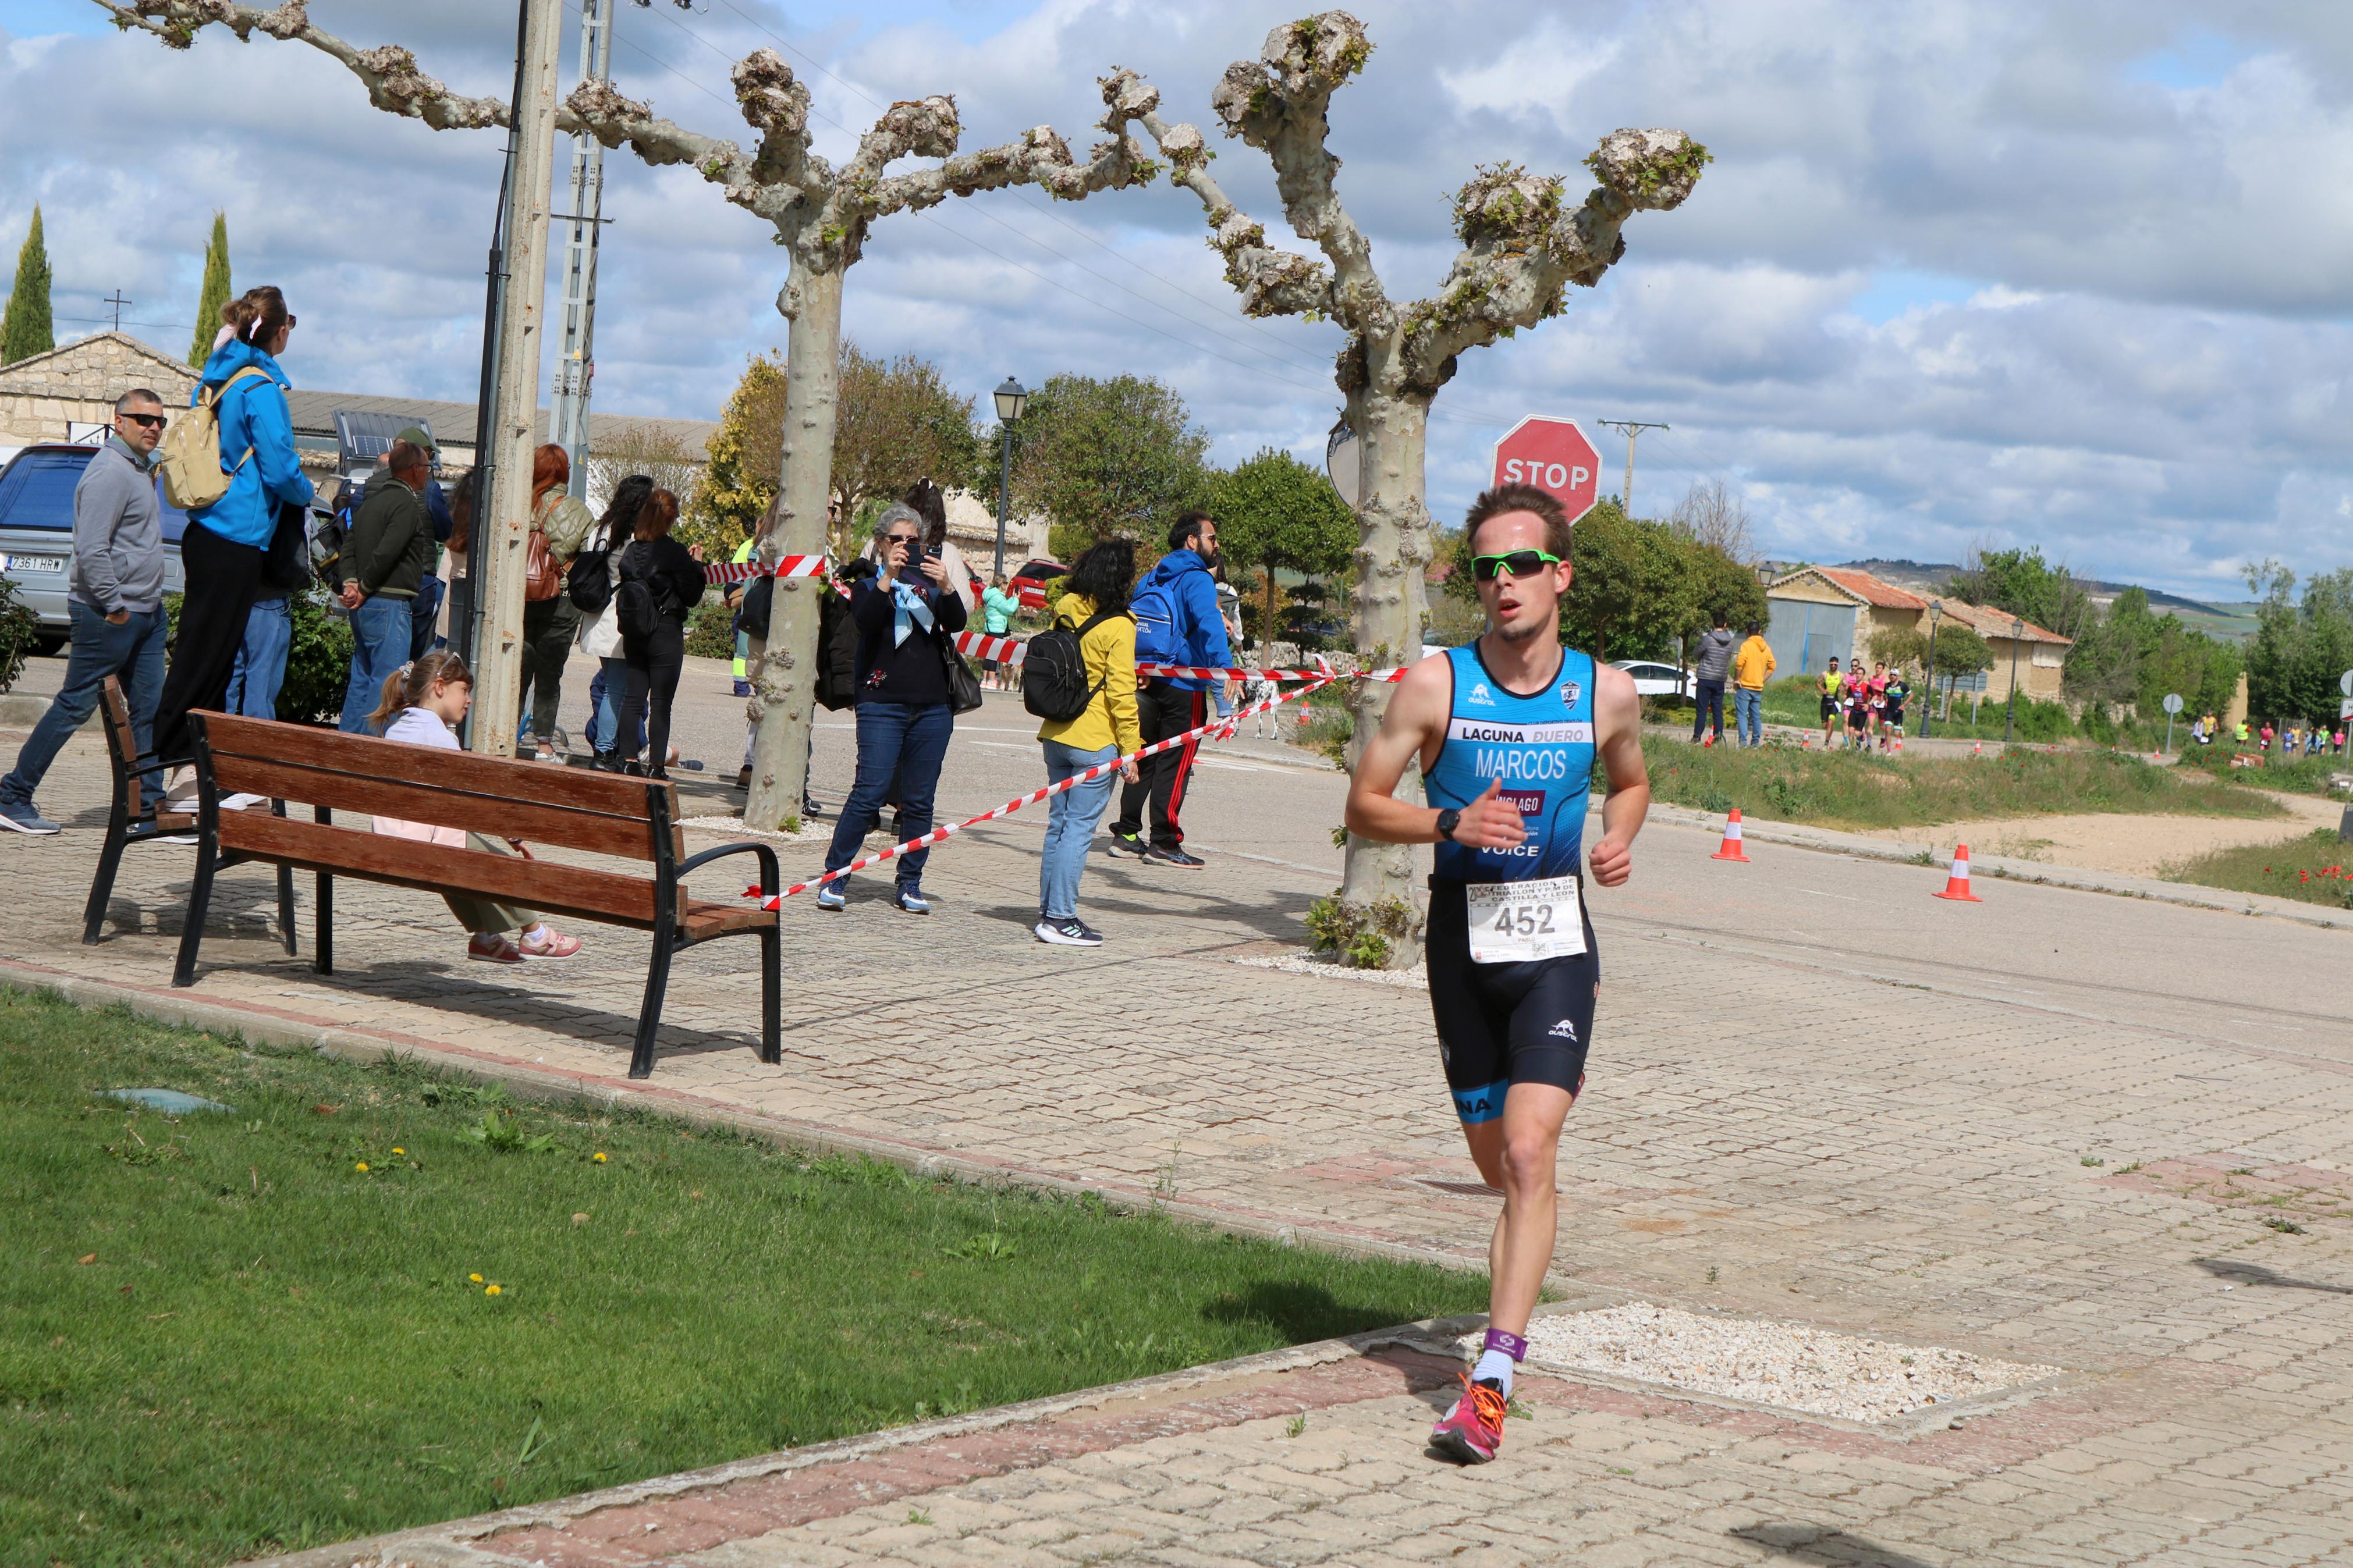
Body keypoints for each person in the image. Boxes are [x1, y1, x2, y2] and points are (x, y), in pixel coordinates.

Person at [1342, 481, 1647, 1466]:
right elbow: (1361, 804)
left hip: (1555, 942)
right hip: (1461, 946)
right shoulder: (1435, 685)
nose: (1502, 582)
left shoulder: (1604, 691)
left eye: (1521, 563)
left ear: (1560, 575)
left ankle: (1491, 1380)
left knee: (1526, 1152)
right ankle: (1504, 1319)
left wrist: (1618, 834)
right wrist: (1448, 821)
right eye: (1484, 568)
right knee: (1496, 1167)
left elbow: (1631, 780)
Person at [155, 286, 315, 795]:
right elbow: (281, 470)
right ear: (280, 330)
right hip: (237, 537)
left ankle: (184, 769)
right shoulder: (261, 388)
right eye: (290, 324)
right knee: (212, 658)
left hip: (206, 528)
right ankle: (180, 772)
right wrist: (309, 492)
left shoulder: (219, 375)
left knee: (203, 651)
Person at [0, 390, 174, 834]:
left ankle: (147, 807)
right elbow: (91, 549)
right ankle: (12, 796)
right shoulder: (109, 472)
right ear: (119, 421)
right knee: (74, 705)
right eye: (144, 419)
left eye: (160, 420)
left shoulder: (139, 469)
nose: (154, 427)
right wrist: (115, 606)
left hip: (147, 614)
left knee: (149, 709)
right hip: (108, 614)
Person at [367, 650, 583, 964]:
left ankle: (486, 938)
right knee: (499, 866)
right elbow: (473, 800)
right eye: (464, 690)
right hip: (422, 841)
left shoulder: (398, 728)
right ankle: (537, 936)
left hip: (391, 837)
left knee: (459, 856)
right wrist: (512, 836)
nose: (469, 700)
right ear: (439, 688)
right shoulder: (438, 738)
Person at [817, 502, 968, 914]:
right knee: (869, 791)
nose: (905, 545)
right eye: (896, 539)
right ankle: (835, 875)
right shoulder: (868, 583)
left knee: (919, 801)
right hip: (881, 703)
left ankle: (910, 882)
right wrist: (888, 576)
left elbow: (956, 622)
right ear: (881, 543)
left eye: (912, 540)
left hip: (932, 705)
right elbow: (866, 620)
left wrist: (947, 585)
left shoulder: (930, 583)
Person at [1034, 540, 1143, 946]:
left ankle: (1047, 910)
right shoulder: (1121, 624)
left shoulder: (1065, 608)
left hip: (1056, 731)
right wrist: (1131, 749)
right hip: (1094, 740)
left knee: (1058, 826)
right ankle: (1061, 918)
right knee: (1079, 831)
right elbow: (1121, 693)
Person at [1109, 510, 1230, 867]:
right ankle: (1164, 842)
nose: (1216, 544)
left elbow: (1132, 621)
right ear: (1192, 541)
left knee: (1144, 758)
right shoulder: (1197, 578)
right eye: (1212, 538)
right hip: (1184, 685)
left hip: (1147, 678)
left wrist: (1137, 665)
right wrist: (1227, 672)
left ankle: (1126, 835)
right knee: (1175, 765)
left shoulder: (1152, 576)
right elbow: (1210, 625)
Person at [336, 438, 436, 734]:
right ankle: (373, 753)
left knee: (362, 678)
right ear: (416, 469)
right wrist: (364, 587)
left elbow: (348, 546)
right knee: (389, 683)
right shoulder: (407, 503)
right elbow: (388, 551)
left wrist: (351, 583)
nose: (428, 473)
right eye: (427, 467)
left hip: (365, 605)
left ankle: (345, 746)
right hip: (390, 602)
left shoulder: (372, 501)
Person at [612, 488, 706, 779]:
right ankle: (656, 767)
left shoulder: (632, 551)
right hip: (665, 630)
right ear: (671, 518)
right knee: (661, 703)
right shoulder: (673, 552)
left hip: (635, 630)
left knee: (633, 698)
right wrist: (697, 564)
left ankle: (628, 760)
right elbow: (692, 595)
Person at [516, 444, 597, 762]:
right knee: (549, 676)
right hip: (560, 600)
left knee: (516, 668)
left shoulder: (519, 503)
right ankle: (544, 745)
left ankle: (504, 734)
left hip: (520, 597)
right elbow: (591, 557)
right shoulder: (578, 510)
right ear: (564, 473)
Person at [575, 474, 652, 769]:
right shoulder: (634, 536)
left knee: (613, 685)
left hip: (598, 616)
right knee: (616, 689)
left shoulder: (602, 530)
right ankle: (604, 752)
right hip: (620, 619)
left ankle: (612, 749)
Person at [1690, 611, 1734, 744]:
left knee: (1702, 710)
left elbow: (1696, 654)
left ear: (1712, 623)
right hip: (1720, 678)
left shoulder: (1708, 639)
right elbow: (1728, 657)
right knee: (1717, 711)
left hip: (1705, 677)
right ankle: (1717, 738)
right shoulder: (1731, 642)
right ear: (1725, 624)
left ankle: (1697, 737)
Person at [1731, 623, 1774, 748]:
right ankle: (1755, 742)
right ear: (1760, 631)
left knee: (1742, 715)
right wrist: (1762, 680)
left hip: (1745, 686)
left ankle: (1743, 742)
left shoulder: (1746, 645)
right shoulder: (1766, 648)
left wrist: (1736, 680)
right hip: (1757, 688)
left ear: (1747, 631)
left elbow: (1740, 663)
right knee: (1756, 717)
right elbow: (1772, 666)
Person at [981, 573, 1020, 690]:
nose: (1007, 586)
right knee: (994, 654)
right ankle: (992, 681)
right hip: (997, 628)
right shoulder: (998, 597)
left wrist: (1012, 599)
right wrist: (1016, 600)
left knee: (988, 653)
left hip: (990, 627)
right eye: (1006, 583)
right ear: (1002, 584)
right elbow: (1009, 609)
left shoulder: (991, 594)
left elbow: (1004, 606)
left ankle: (985, 680)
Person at [1818, 656, 1844, 749]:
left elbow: (1846, 685)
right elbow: (1818, 683)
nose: (1833, 666)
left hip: (1834, 703)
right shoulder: (1825, 674)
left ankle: (1826, 744)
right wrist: (1823, 690)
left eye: (1835, 664)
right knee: (1825, 726)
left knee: (1831, 721)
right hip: (1825, 703)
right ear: (1829, 664)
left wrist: (1842, 688)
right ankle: (1830, 730)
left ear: (1838, 665)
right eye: (1832, 664)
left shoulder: (1841, 675)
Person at [1883, 666, 1911, 748]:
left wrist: (1904, 705)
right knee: (1888, 729)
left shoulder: (1902, 685)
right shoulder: (1887, 686)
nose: (1893, 676)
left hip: (1898, 711)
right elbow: (1885, 695)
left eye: (1894, 675)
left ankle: (1901, 731)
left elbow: (1911, 695)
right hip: (1889, 710)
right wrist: (1884, 701)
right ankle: (1889, 751)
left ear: (1897, 676)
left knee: (1896, 733)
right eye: (1891, 674)